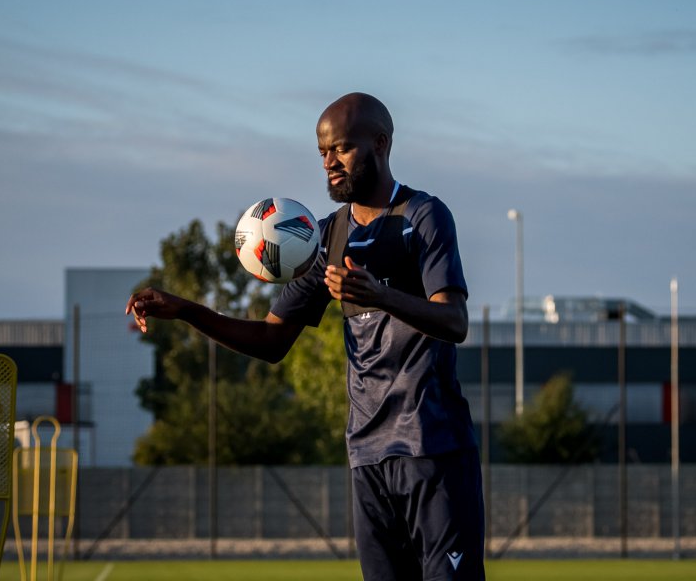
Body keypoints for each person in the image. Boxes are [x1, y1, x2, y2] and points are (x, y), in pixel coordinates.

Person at [126, 92, 485, 580]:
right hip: (367, 453)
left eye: (342, 148)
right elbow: (272, 341)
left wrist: (380, 295)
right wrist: (189, 312)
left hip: (432, 446)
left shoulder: (423, 216)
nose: (329, 163)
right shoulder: (326, 237)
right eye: (322, 152)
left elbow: (454, 321)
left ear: (380, 144)